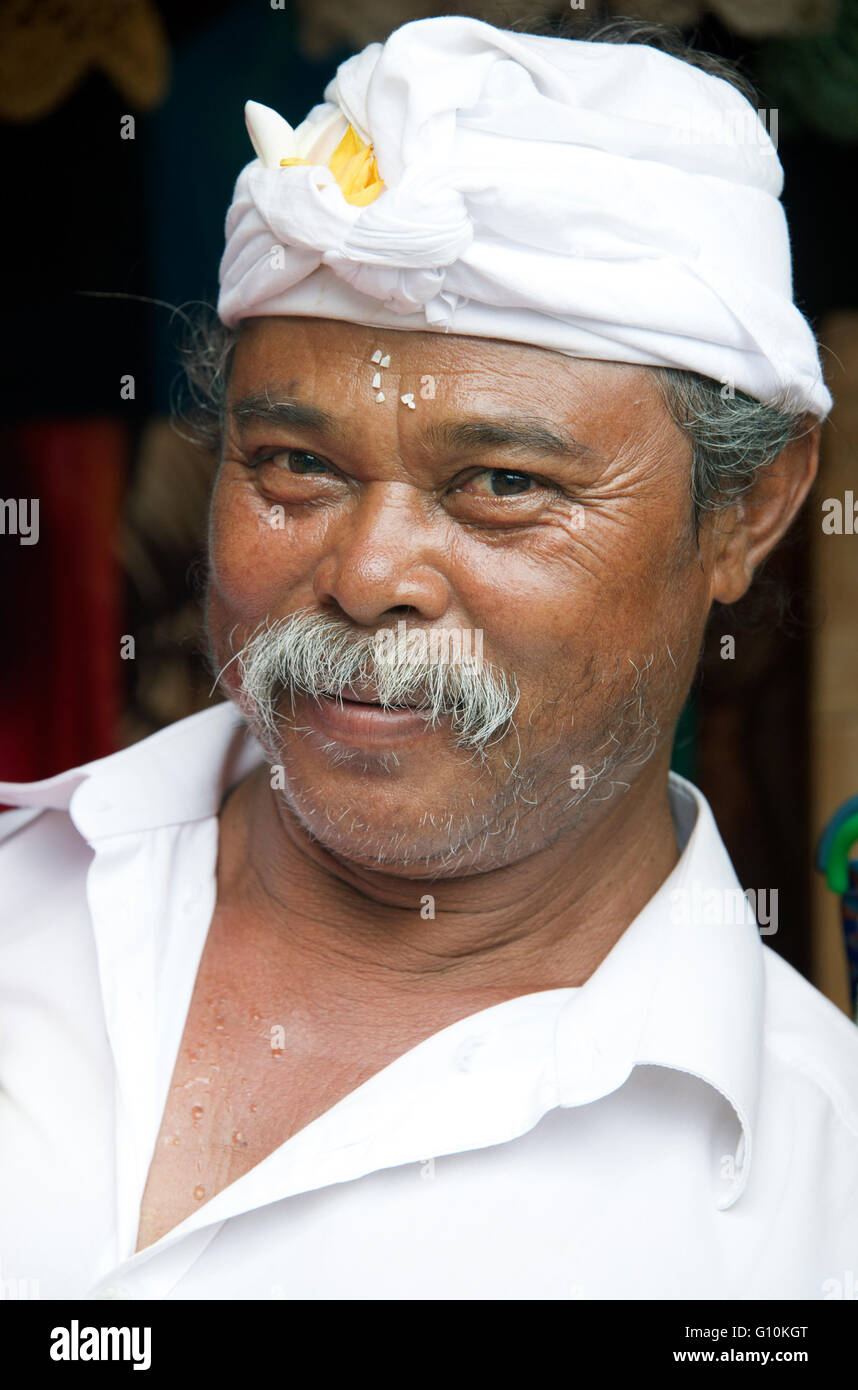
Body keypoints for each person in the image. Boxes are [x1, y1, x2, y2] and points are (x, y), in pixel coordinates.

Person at [1, 14, 856, 1301]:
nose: (364, 574)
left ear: (746, 512)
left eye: (503, 482)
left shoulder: (808, 1214)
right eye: (295, 465)